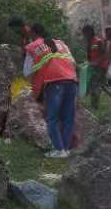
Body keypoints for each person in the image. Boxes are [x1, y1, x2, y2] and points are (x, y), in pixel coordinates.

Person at [23, 23, 77, 159]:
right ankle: (66, 149)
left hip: (54, 82)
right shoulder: (61, 43)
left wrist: (34, 89)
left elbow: (27, 72)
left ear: (33, 33)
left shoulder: (33, 46)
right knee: (68, 118)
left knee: (52, 118)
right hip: (71, 81)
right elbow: (73, 62)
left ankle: (59, 150)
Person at [82, 25, 109, 109]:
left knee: (95, 86)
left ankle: (94, 106)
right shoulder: (88, 44)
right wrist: (88, 63)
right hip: (93, 68)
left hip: (101, 67)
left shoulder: (98, 41)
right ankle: (94, 105)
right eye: (84, 34)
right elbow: (89, 57)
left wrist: (97, 62)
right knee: (94, 86)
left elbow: (105, 54)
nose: (84, 36)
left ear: (90, 32)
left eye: (85, 33)